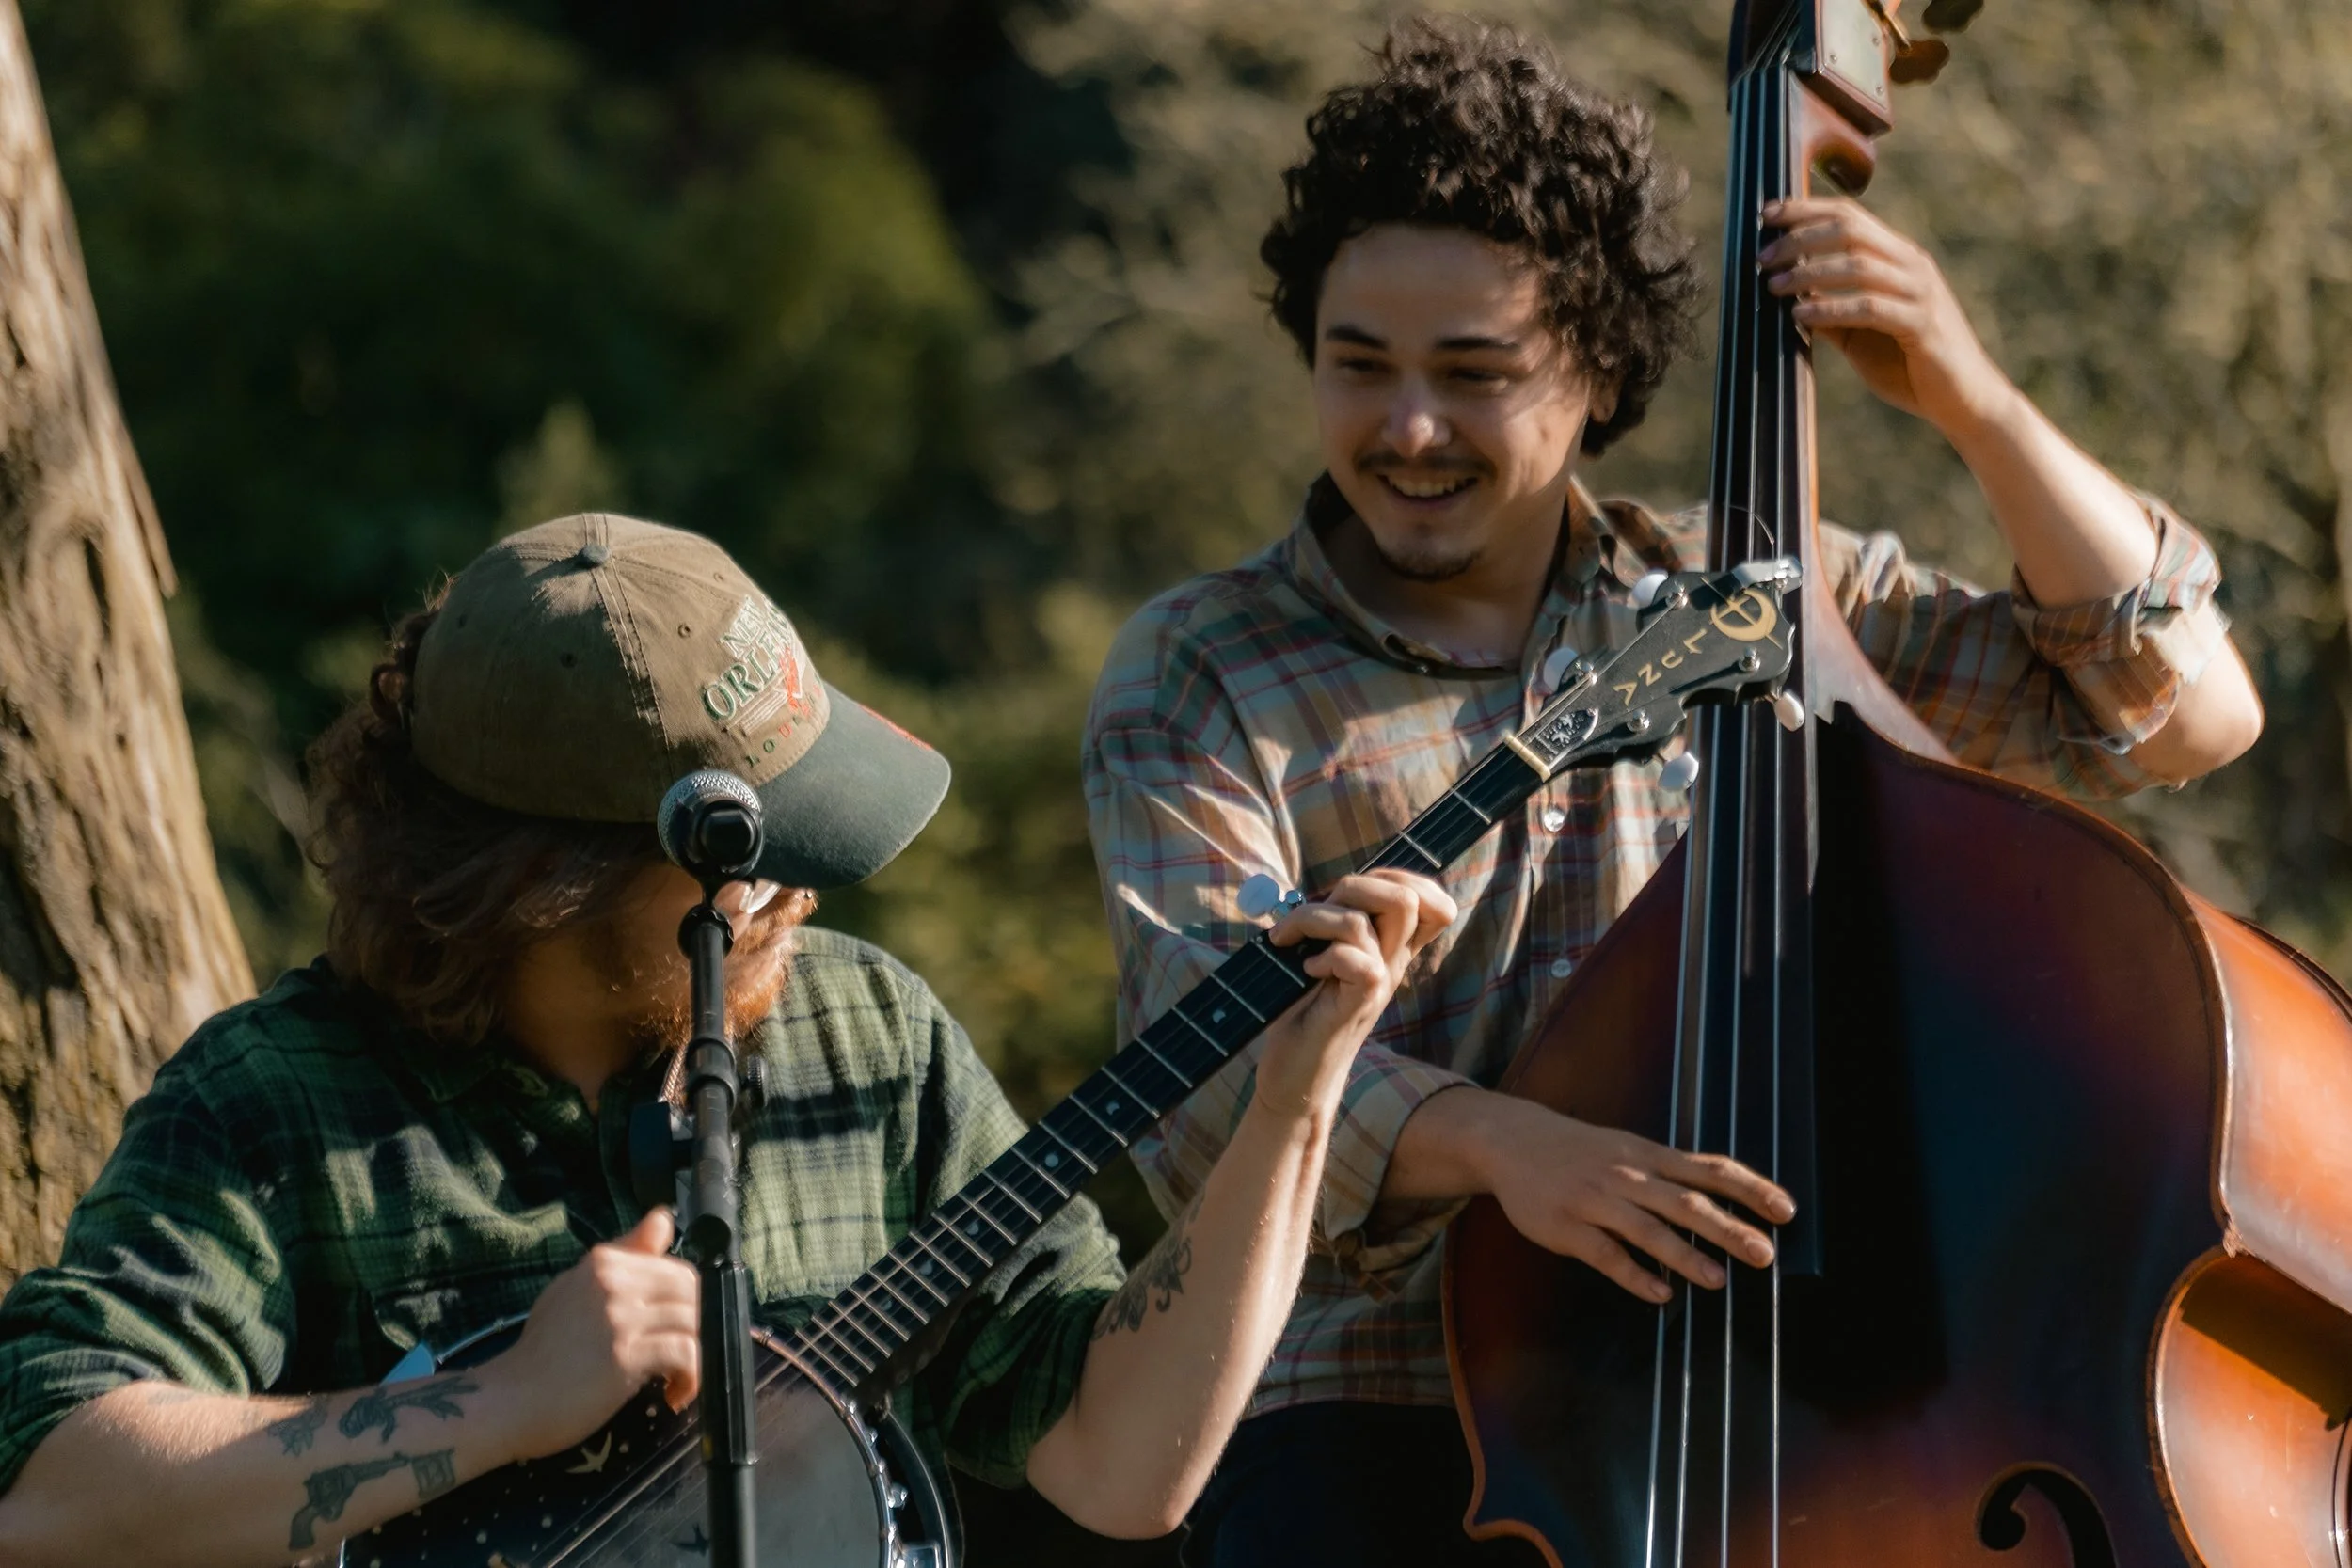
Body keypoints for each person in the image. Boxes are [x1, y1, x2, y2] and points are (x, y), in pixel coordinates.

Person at [1082, 17, 2263, 1567]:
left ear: (1597, 376)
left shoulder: (1755, 597)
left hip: (1801, 1409)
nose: (1407, 428)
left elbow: (2182, 709)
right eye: (1358, 365)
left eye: (1475, 372)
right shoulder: (1201, 665)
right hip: (1366, 1400)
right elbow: (1202, 1056)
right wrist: (1508, 1147)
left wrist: (1973, 398)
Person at [0, 512, 1456, 1566]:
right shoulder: (279, 1100)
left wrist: (1292, 1110)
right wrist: (499, 1402)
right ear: (541, 881)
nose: (803, 891)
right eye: (756, 854)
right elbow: (47, 1490)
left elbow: (1124, 1463)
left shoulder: (866, 1031)